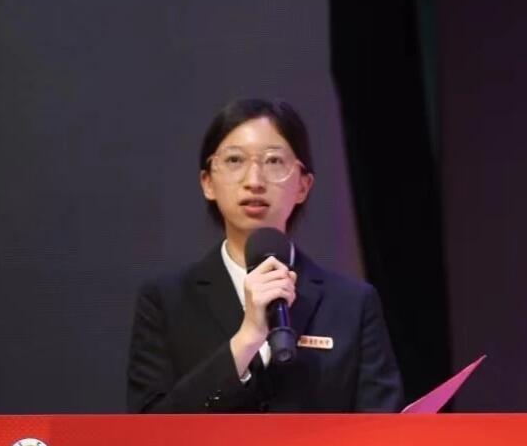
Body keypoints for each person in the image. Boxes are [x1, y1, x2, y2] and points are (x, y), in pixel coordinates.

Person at [126, 98, 403, 413]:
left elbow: (382, 428)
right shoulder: (166, 302)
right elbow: (150, 428)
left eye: (273, 161)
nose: (254, 181)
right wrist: (246, 341)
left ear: (303, 186)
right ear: (208, 182)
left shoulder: (353, 304)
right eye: (235, 160)